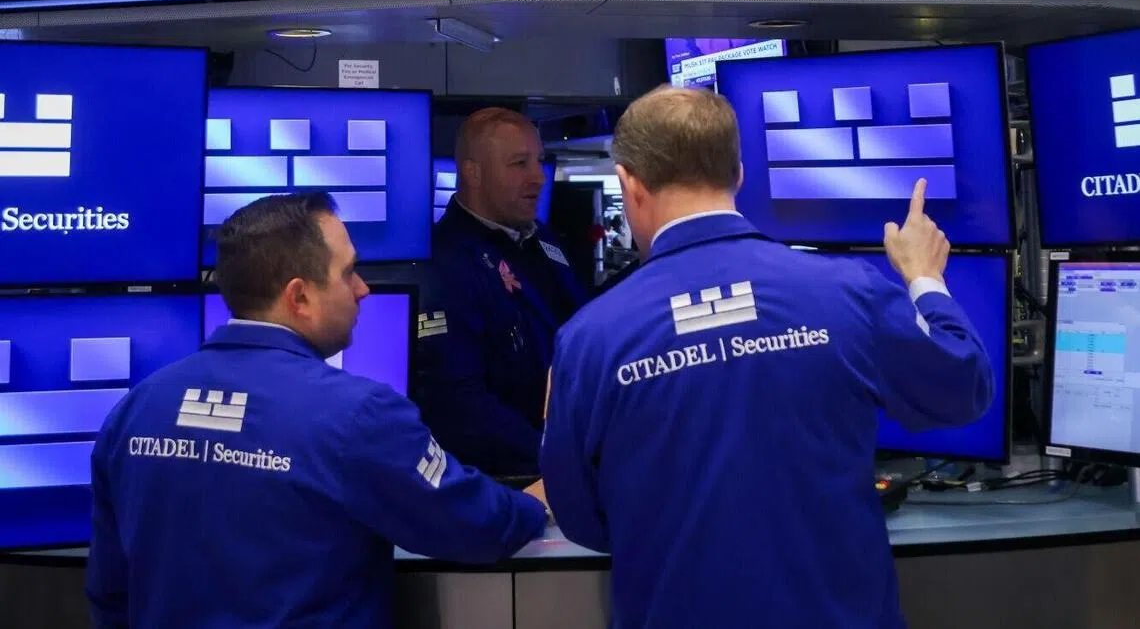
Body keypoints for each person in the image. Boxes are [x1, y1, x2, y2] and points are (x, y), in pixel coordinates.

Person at [541, 86, 993, 629]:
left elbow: (580, 517)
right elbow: (963, 387)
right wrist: (924, 276)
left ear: (629, 184)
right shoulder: (847, 290)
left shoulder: (588, 339)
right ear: (739, 172)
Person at [86, 193, 548, 629]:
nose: (363, 290)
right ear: (299, 296)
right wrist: (534, 502)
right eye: (349, 273)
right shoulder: (358, 414)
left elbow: (110, 592)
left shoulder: (137, 408)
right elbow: (472, 525)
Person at [416, 108, 587, 476]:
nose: (537, 178)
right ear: (473, 173)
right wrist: (554, 457)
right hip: (506, 478)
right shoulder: (442, 263)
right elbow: (458, 402)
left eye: (538, 162)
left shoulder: (543, 241)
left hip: (568, 453)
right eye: (519, 164)